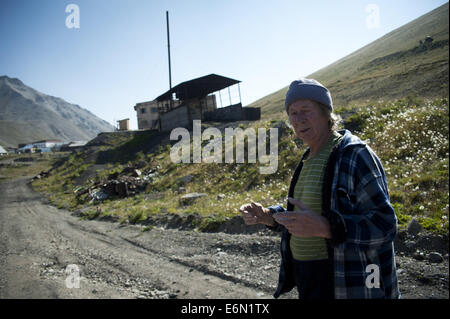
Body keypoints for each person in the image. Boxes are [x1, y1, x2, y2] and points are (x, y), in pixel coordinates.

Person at [239, 78, 400, 299]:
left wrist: (328, 228)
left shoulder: (355, 155)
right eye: (293, 113)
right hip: (309, 281)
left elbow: (385, 225)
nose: (299, 119)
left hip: (347, 283)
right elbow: (305, 219)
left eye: (306, 110)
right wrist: (267, 216)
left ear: (326, 113)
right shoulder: (308, 158)